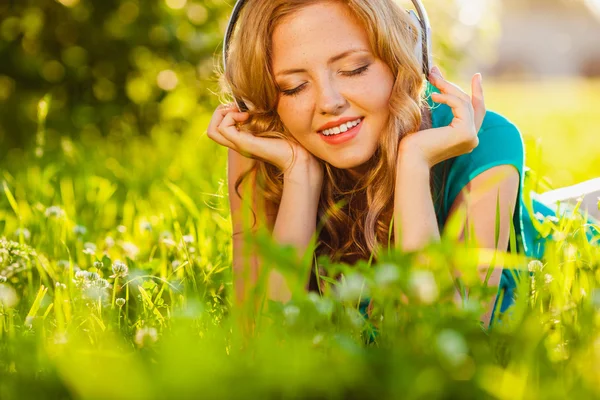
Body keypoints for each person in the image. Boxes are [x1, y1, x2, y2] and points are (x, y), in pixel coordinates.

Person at [207, 0, 600, 330]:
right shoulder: (265, 145)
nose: (328, 102)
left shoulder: (487, 138)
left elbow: (443, 340)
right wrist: (299, 176)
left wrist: (413, 163)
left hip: (568, 233)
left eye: (355, 68)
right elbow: (262, 339)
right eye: (293, 86)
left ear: (402, 61)